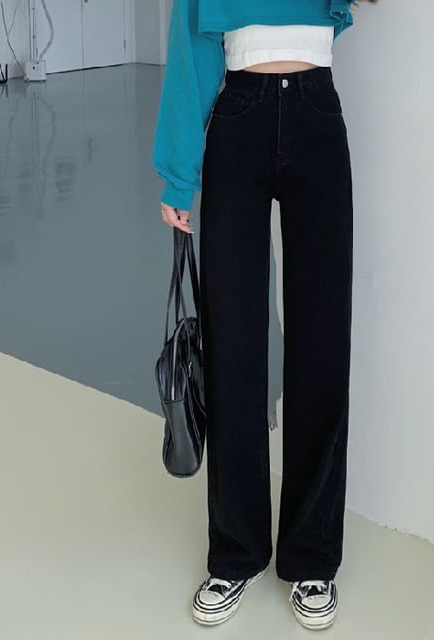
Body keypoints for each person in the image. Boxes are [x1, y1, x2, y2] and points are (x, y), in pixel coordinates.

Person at [151, 0, 375, 630]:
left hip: (316, 111)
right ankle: (236, 551)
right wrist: (177, 174)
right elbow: (191, 44)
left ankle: (312, 556)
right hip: (239, 116)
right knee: (233, 347)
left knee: (321, 345)